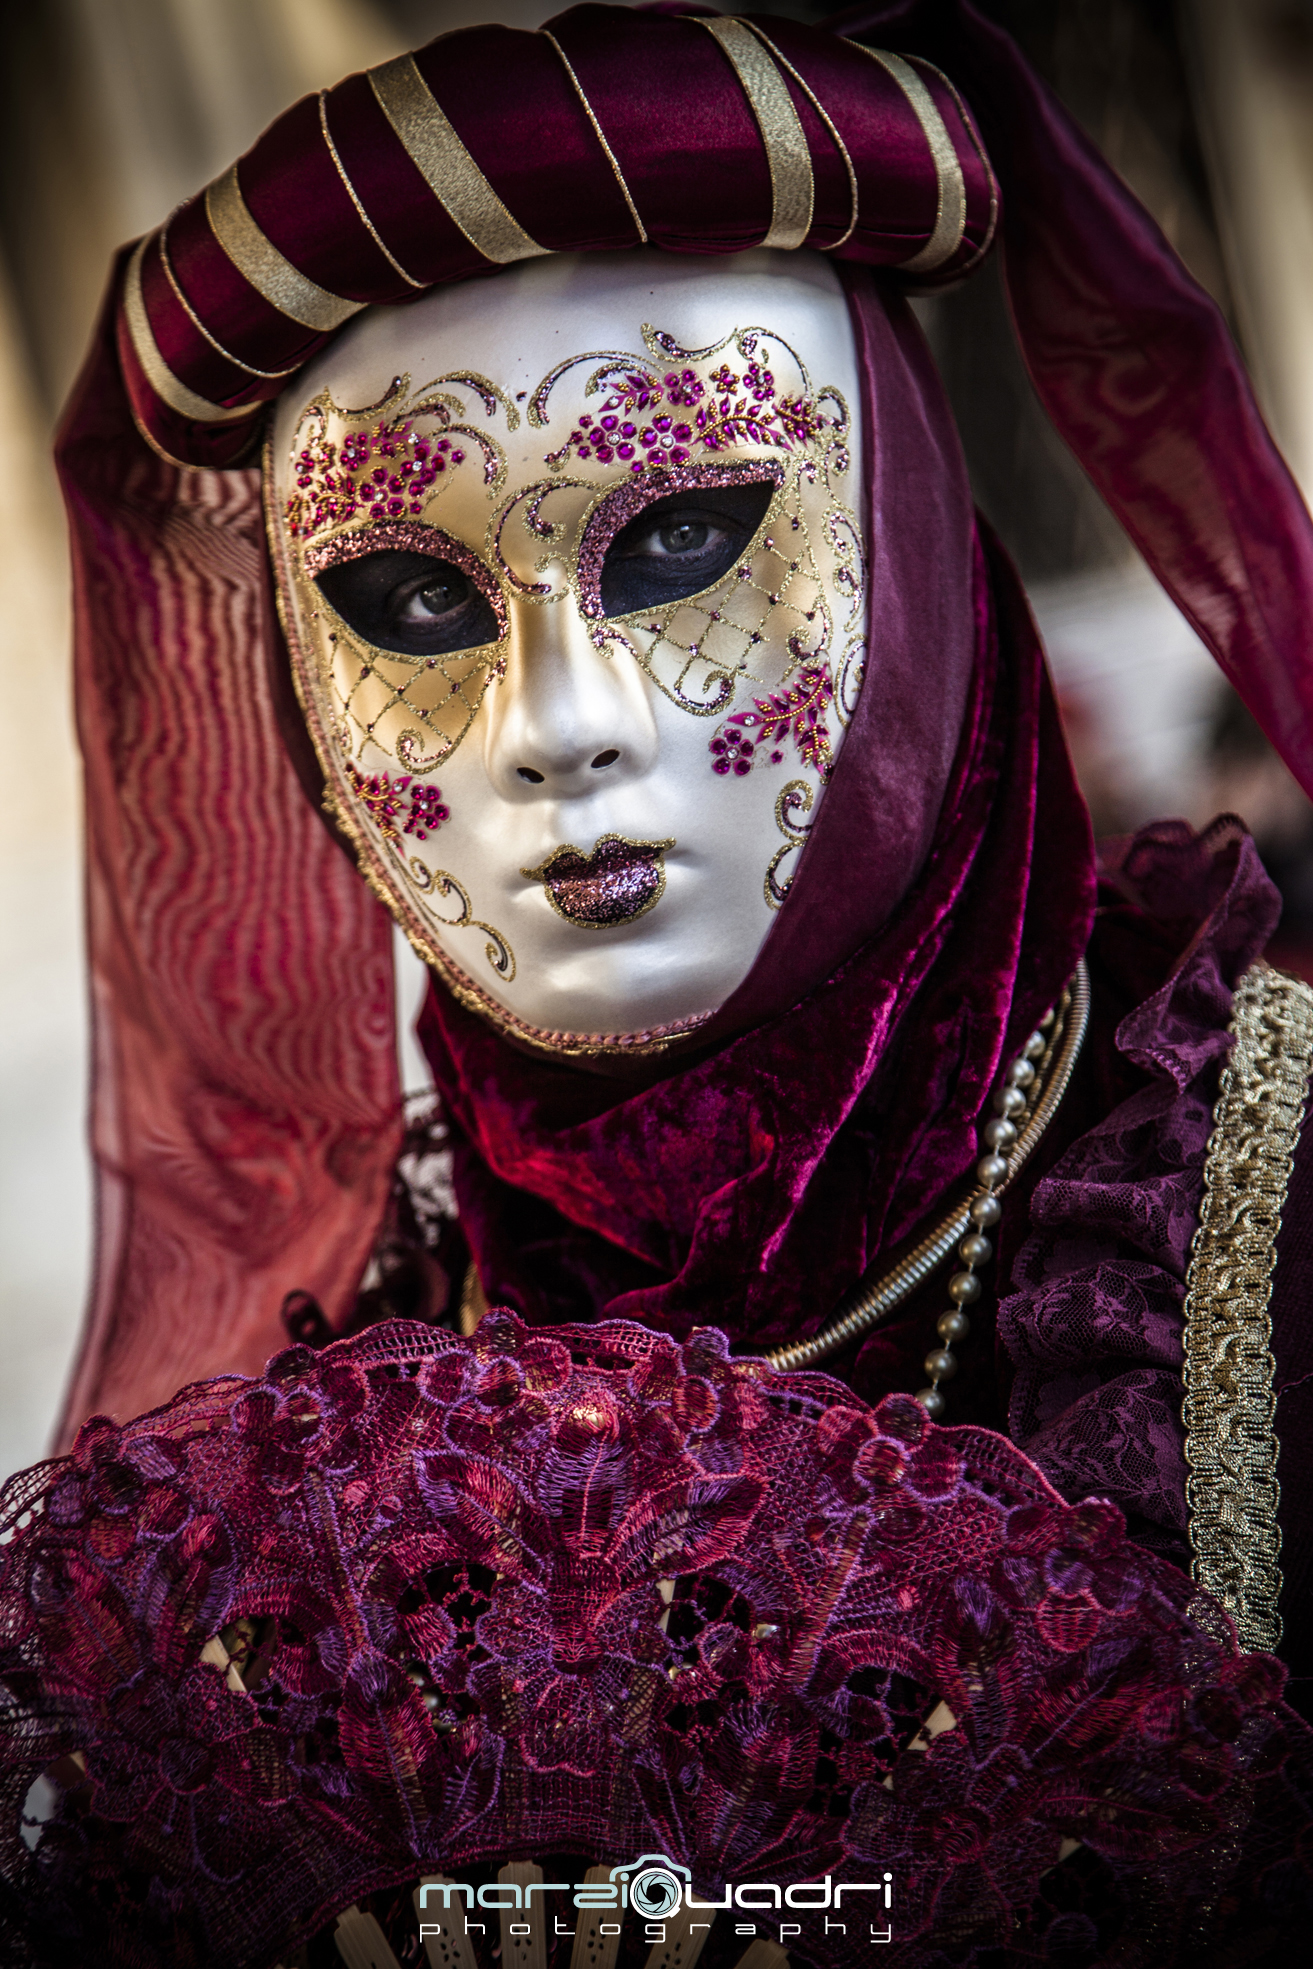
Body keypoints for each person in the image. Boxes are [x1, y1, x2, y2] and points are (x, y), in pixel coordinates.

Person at [4, 6, 1313, 1963]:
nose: (556, 727)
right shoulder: (352, 1363)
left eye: (688, 536)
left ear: (914, 558)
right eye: (408, 601)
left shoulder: (1249, 1239)